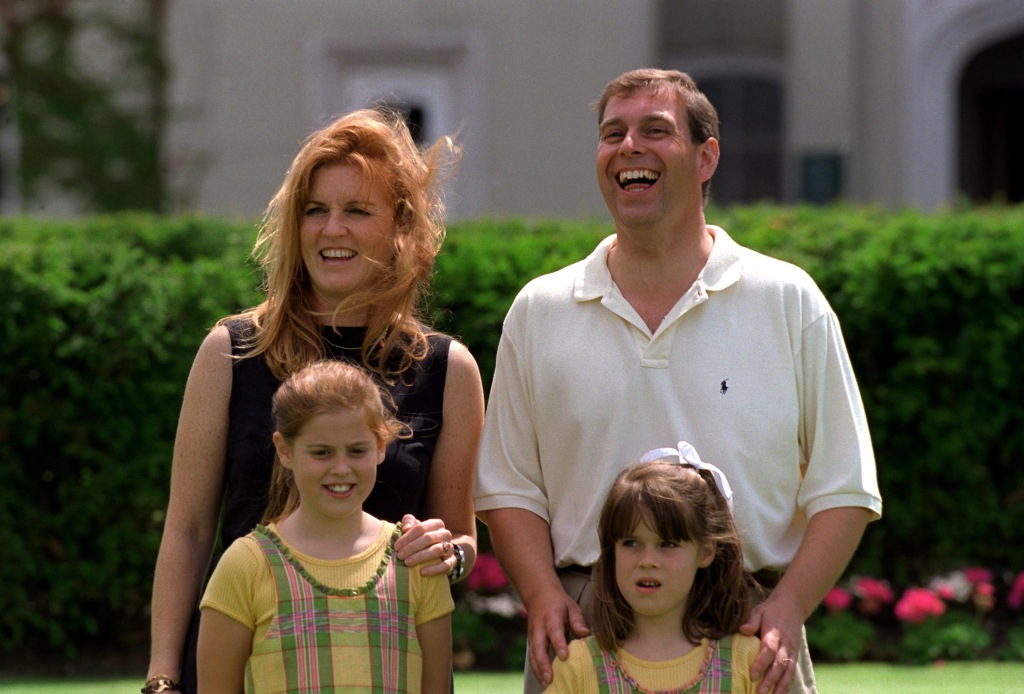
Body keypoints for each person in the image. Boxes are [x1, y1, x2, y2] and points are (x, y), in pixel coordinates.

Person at [474, 68, 882, 694]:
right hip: (584, 632)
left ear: (706, 156)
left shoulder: (787, 298)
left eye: (654, 130)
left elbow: (845, 486)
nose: (628, 146)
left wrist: (789, 606)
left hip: (749, 630)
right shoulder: (540, 309)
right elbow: (508, 488)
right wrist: (542, 596)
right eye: (613, 133)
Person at [144, 107, 485, 694]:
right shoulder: (230, 352)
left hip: (382, 667)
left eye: (357, 211)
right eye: (315, 210)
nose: (332, 230)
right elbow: (189, 531)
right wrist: (163, 678)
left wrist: (447, 555)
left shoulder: (447, 369)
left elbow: (462, 538)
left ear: (400, 227)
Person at [197, 359, 453, 693]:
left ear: (380, 447)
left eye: (357, 450)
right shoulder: (246, 566)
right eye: (322, 452)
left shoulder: (415, 561)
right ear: (285, 450)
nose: (341, 468)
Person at [547, 444, 763, 694]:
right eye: (631, 543)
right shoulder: (579, 667)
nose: (647, 560)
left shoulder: (746, 662)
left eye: (667, 544)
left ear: (705, 551)